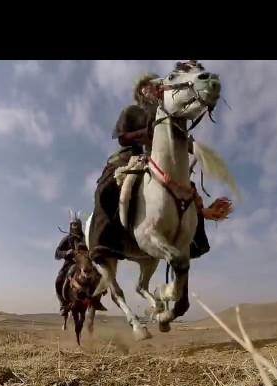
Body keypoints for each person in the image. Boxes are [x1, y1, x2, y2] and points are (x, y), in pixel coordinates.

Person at [87, 68, 228, 264]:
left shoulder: (168, 111)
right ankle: (102, 241)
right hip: (130, 156)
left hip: (160, 157)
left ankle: (194, 241)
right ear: (140, 92)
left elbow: (179, 138)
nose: (150, 89)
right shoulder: (131, 112)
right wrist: (145, 132)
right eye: (145, 87)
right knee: (107, 184)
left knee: (188, 189)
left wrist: (196, 149)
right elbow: (122, 138)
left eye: (153, 85)